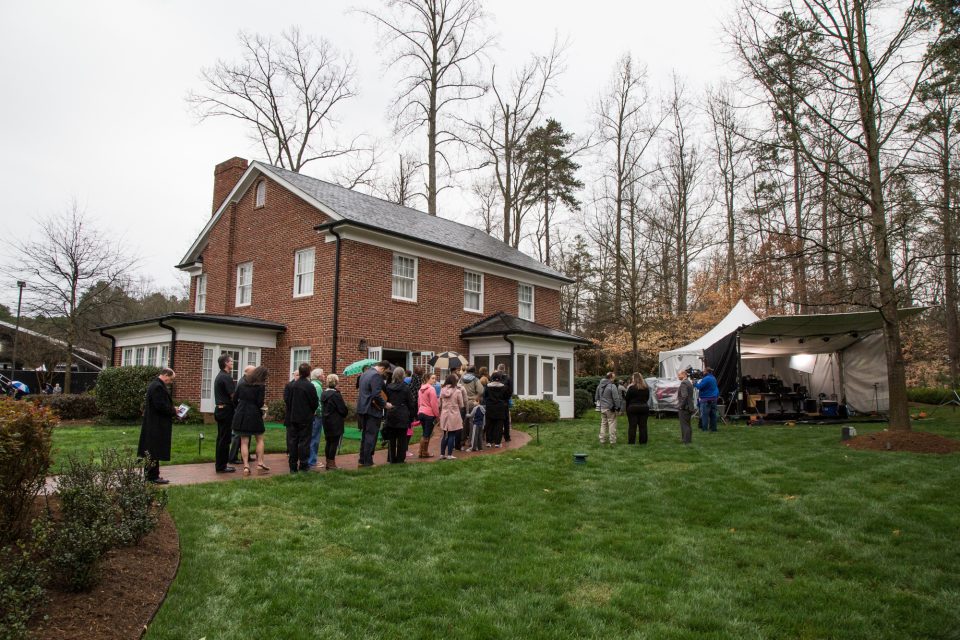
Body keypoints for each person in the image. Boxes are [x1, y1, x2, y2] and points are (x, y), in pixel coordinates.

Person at [137, 368, 178, 484]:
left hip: (154, 423)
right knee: (154, 450)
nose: (170, 382)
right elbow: (160, 406)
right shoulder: (157, 387)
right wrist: (173, 410)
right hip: (156, 424)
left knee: (153, 450)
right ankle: (152, 476)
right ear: (165, 375)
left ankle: (152, 475)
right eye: (171, 379)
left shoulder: (155, 385)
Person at [233, 366, 270, 475]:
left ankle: (246, 466)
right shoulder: (260, 386)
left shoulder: (242, 383)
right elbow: (259, 403)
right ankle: (260, 463)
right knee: (260, 439)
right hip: (254, 413)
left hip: (241, 413)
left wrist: (240, 407)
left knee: (244, 441)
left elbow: (234, 399)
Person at [284, 363, 319, 473]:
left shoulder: (291, 385)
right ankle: (303, 465)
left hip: (292, 418)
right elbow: (314, 403)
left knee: (292, 442)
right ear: (309, 372)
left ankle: (292, 467)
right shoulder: (309, 386)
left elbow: (287, 401)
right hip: (305, 418)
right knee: (304, 442)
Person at [357, 360, 390, 467]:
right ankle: (368, 461)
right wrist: (385, 405)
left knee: (365, 435)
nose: (384, 375)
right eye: (385, 372)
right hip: (372, 410)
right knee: (371, 436)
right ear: (382, 368)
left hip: (362, 409)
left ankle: (362, 460)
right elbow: (376, 394)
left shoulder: (365, 373)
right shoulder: (376, 376)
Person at [384, 367, 415, 463]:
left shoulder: (388, 387)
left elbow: (385, 400)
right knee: (402, 439)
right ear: (403, 376)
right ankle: (400, 459)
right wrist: (411, 417)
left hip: (391, 413)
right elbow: (411, 403)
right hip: (402, 415)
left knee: (391, 438)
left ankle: (391, 458)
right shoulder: (406, 388)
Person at [213, 354, 237, 473]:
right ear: (226, 363)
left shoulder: (220, 376)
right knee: (225, 439)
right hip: (226, 411)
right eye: (231, 361)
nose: (232, 363)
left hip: (220, 410)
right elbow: (233, 395)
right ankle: (222, 466)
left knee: (221, 438)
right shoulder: (225, 377)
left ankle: (220, 464)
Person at [228, 365, 255, 465]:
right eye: (254, 372)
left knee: (247, 433)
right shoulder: (242, 383)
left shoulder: (247, 381)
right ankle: (232, 457)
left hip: (245, 412)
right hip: (241, 412)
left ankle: (246, 455)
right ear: (247, 372)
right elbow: (235, 398)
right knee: (237, 435)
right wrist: (239, 408)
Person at [320, 374, 348, 470]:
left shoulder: (324, 393)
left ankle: (328, 462)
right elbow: (343, 410)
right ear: (336, 382)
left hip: (326, 420)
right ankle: (331, 464)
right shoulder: (336, 395)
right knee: (334, 443)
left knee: (329, 442)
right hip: (335, 421)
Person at [438, 374, 464, 459]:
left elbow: (439, 404)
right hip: (454, 414)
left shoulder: (442, 390)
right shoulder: (457, 391)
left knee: (445, 434)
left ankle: (442, 454)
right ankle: (449, 454)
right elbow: (461, 404)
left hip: (444, 414)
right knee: (452, 434)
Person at [483, 371, 511, 447]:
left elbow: (484, 396)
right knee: (499, 425)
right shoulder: (504, 387)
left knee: (489, 425)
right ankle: (497, 443)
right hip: (500, 408)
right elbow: (507, 397)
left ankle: (489, 442)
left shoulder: (487, 386)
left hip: (490, 407)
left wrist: (488, 402)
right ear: (500, 379)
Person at [595, 372, 621, 444]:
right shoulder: (612, 386)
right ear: (610, 378)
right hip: (610, 408)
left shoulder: (599, 386)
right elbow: (616, 398)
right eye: (613, 377)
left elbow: (596, 397)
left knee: (603, 424)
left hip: (602, 408)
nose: (614, 379)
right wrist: (618, 407)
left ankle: (602, 440)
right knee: (612, 423)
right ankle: (612, 440)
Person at [417, 373, 439, 458]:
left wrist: (419, 411)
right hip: (429, 414)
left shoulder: (420, 389)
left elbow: (419, 402)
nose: (434, 380)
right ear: (427, 379)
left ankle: (424, 452)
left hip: (421, 413)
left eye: (435, 378)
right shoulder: (431, 389)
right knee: (426, 435)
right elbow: (434, 404)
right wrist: (437, 415)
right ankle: (421, 452)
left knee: (426, 433)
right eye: (432, 378)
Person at [625, 373, 651, 445]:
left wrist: (627, 408)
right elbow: (647, 398)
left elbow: (627, 398)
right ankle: (643, 442)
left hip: (633, 408)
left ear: (634, 379)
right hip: (644, 407)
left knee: (632, 426)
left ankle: (631, 441)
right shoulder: (646, 388)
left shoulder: (631, 388)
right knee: (643, 426)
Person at [308, 368, 325, 467]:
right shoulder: (317, 386)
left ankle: (309, 459)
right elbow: (318, 403)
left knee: (310, 438)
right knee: (314, 438)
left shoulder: (312, 384)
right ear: (318, 376)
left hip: (310, 416)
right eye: (323, 374)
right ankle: (312, 461)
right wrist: (320, 413)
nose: (324, 375)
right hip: (316, 416)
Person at [694, 367, 719, 432]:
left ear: (706, 372)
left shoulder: (706, 379)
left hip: (706, 399)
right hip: (714, 398)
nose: (703, 372)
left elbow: (699, 386)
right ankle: (713, 429)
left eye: (704, 371)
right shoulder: (713, 378)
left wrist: (694, 383)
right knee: (713, 415)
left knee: (705, 415)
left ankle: (704, 429)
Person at [677, 369, 695, 445]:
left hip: (685, 407)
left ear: (684, 374)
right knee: (688, 424)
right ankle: (688, 439)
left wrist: (681, 406)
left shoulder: (684, 383)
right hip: (689, 406)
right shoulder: (689, 382)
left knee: (684, 424)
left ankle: (686, 440)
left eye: (679, 375)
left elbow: (685, 396)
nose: (678, 376)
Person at [496, 364, 513, 442]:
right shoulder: (508, 378)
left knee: (497, 419)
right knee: (506, 420)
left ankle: (496, 437)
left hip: (496, 401)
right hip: (505, 402)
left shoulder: (495, 377)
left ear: (498, 368)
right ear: (504, 369)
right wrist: (507, 398)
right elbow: (510, 390)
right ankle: (507, 437)